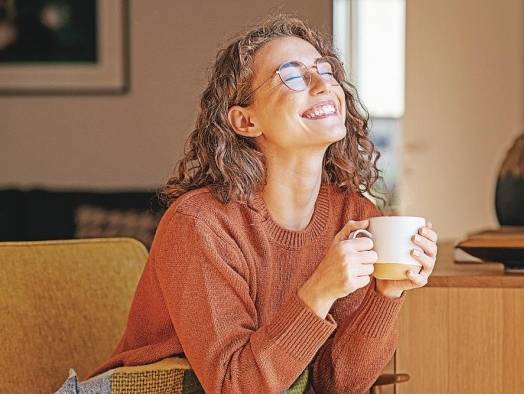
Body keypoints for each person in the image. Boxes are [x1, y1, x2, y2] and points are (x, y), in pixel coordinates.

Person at [90, 15, 438, 393]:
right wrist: (319, 291)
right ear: (245, 121)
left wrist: (387, 293)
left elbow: (334, 385)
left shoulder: (354, 216)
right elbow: (232, 386)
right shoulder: (200, 224)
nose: (323, 84)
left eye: (326, 70)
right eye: (292, 76)